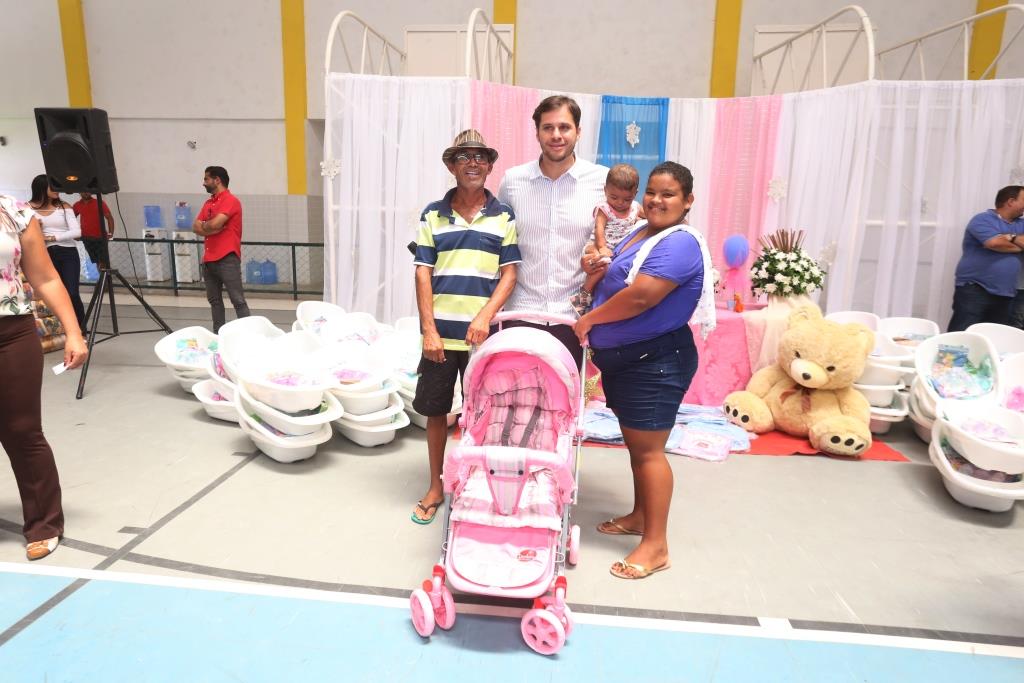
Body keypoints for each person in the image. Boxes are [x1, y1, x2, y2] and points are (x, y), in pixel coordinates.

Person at [573, 162, 714, 580]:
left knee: (650, 452)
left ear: (687, 201)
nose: (656, 200)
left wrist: (589, 320)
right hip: (629, 360)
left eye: (668, 194)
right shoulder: (642, 230)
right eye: (651, 192)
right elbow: (616, 274)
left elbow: (640, 297)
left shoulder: (681, 242)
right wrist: (594, 269)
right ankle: (640, 516)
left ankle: (656, 546)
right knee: (638, 447)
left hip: (656, 361)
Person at [410, 130, 520, 524]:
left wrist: (485, 316)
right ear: (451, 165)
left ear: (489, 166)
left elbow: (510, 273)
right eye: (463, 156)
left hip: (483, 339)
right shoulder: (432, 214)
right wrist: (429, 330)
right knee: (436, 411)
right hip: (440, 338)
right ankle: (436, 485)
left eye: (480, 157)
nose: (472, 163)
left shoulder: (503, 215)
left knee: (485, 413)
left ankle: (477, 484)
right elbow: (423, 273)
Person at [0, 195, 88, 560]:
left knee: (23, 430)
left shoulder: (15, 212)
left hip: (10, 334)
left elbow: (46, 277)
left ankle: (44, 523)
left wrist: (73, 332)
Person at [498, 95, 608, 367]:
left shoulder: (602, 181)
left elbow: (626, 229)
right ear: (537, 133)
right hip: (519, 315)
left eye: (564, 127)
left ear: (578, 131)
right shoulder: (513, 181)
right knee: (516, 392)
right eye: (548, 128)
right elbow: (499, 243)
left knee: (567, 394)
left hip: (574, 320)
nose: (556, 135)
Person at [948, 185, 1024, 332]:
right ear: (1010, 201)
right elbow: (994, 243)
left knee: (993, 336)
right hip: (976, 288)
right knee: (963, 333)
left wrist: (1011, 237)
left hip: (1006, 292)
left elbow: (999, 243)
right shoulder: (982, 219)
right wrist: (1019, 245)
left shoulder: (1021, 224)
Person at [192, 166, 250, 332]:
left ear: (217, 180)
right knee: (215, 301)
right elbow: (196, 227)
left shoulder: (231, 201)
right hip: (209, 261)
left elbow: (215, 224)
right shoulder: (208, 203)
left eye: (206, 179)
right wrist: (209, 228)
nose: (203, 183)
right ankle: (218, 335)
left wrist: (207, 226)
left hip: (227, 259)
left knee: (238, 300)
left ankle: (249, 335)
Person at [28, 175, 85, 331]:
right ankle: (60, 329)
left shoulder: (64, 206)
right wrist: (37, 229)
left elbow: (77, 232)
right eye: (53, 187)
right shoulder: (27, 208)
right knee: (51, 294)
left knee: (72, 293)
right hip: (43, 254)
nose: (57, 190)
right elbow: (23, 232)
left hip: (68, 253)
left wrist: (53, 237)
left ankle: (80, 330)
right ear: (41, 188)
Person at [72, 191, 115, 269]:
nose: (86, 193)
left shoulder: (99, 203)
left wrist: (110, 233)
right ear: (79, 192)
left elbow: (109, 218)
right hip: (86, 238)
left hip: (100, 238)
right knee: (97, 262)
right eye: (83, 191)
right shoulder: (77, 205)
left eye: (88, 191)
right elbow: (71, 220)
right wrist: (75, 233)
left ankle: (106, 276)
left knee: (103, 262)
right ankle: (104, 276)